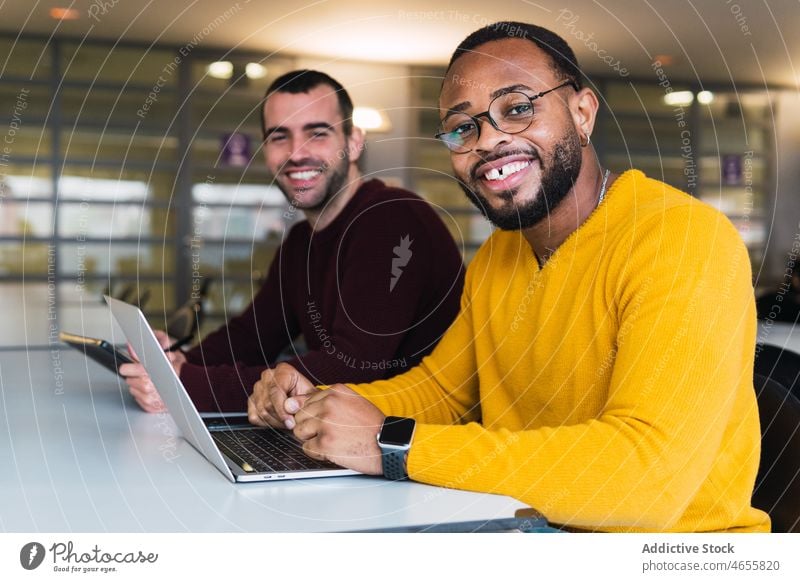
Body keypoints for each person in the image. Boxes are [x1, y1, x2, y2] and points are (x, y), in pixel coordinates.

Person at [248, 23, 770, 533]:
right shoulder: (501, 254)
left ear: (582, 112)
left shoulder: (683, 240)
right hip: (529, 524)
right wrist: (320, 401)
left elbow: (646, 479)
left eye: (518, 108)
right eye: (463, 127)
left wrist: (393, 443)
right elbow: (445, 392)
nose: (489, 141)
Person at [121, 70, 464, 413]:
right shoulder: (301, 242)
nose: (297, 153)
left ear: (354, 141)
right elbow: (252, 336)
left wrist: (186, 384)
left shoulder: (392, 218)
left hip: (421, 439)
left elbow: (353, 366)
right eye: (279, 137)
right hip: (345, 432)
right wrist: (175, 361)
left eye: (317, 133)